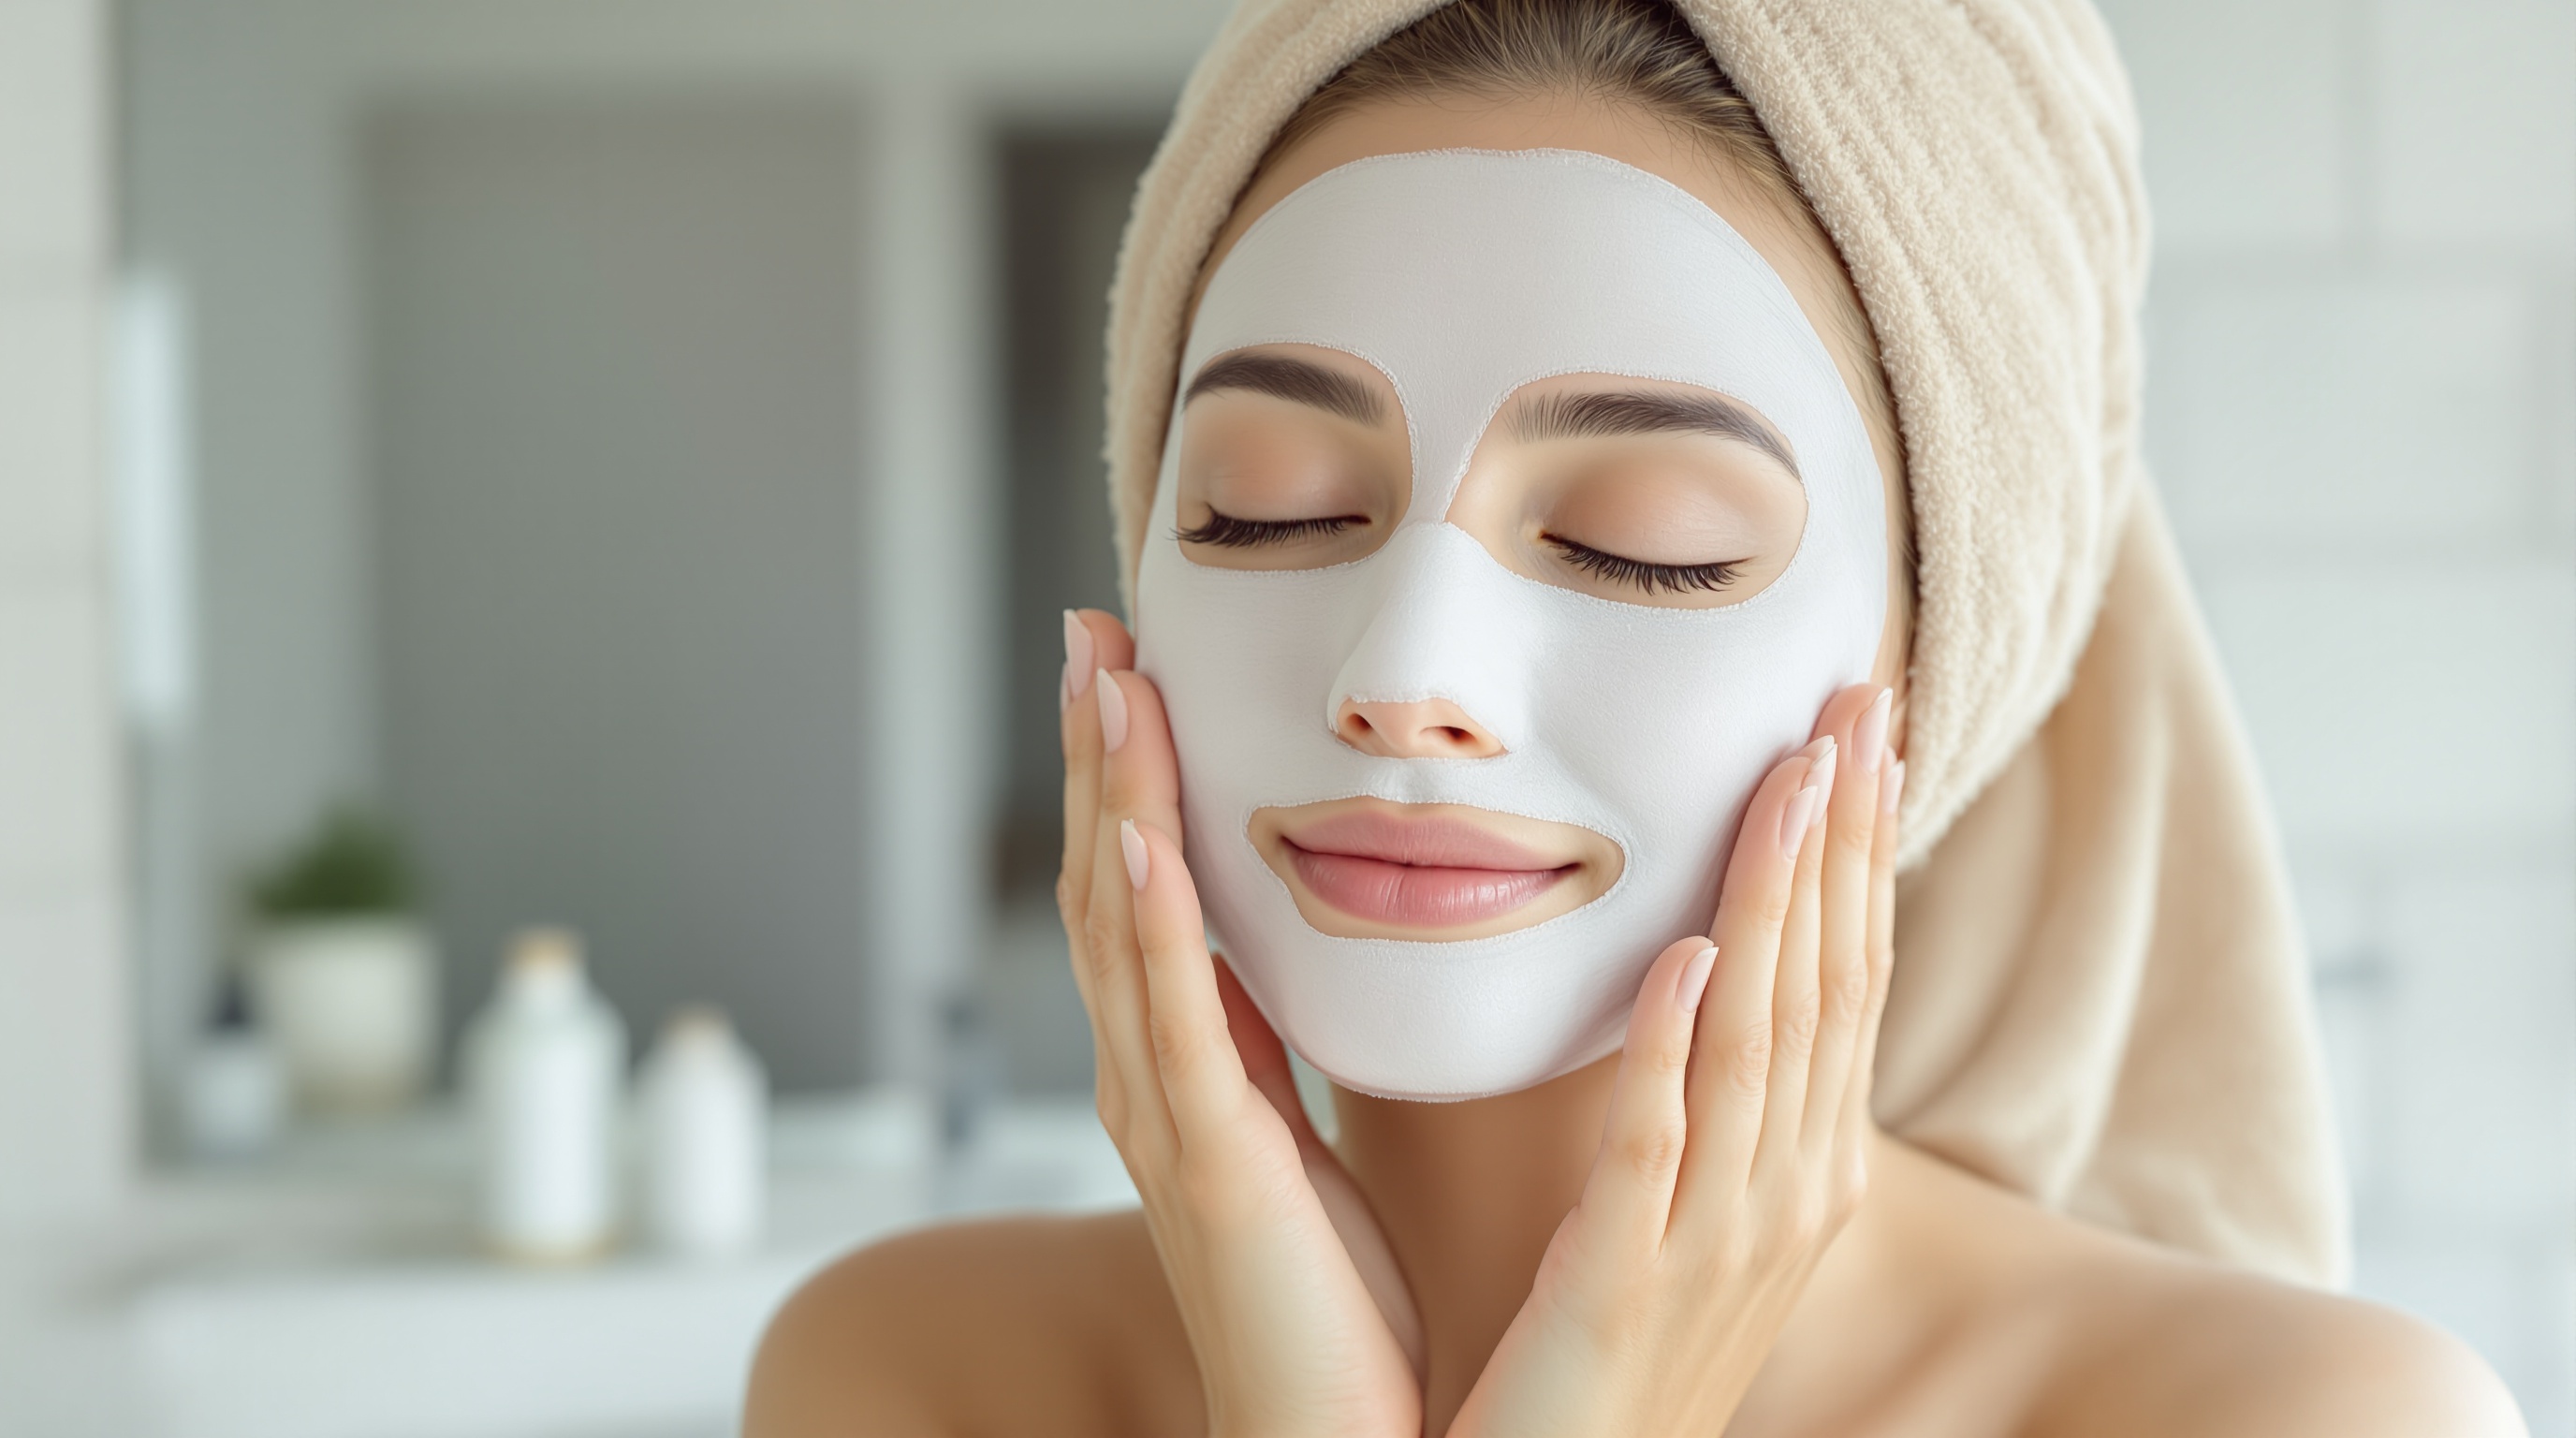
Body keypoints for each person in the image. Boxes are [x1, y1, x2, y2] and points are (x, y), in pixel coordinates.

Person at [746, 2, 2527, 1433]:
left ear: (1938, 671)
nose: (1407, 676)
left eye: (1639, 548)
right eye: (1268, 507)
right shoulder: (912, 1380)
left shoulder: (2293, 1421)